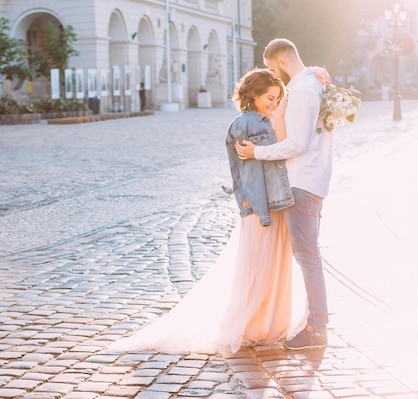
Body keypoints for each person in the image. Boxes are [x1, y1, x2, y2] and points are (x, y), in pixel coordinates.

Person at [110, 68, 304, 356]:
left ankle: (267, 326)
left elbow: (281, 155)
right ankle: (249, 326)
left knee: (271, 270)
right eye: (269, 98)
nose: (273, 103)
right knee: (256, 270)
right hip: (263, 209)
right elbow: (250, 174)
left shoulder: (266, 119)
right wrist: (261, 213)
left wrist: (277, 117)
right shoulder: (245, 124)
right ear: (252, 94)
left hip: (275, 205)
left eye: (277, 99)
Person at [236, 39, 334, 350]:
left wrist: (258, 152)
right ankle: (315, 323)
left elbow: (297, 144)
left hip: (303, 181)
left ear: (279, 62)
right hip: (312, 179)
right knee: (308, 254)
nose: (272, 74)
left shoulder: (304, 91)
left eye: (269, 67)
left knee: (307, 255)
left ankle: (317, 328)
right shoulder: (314, 84)